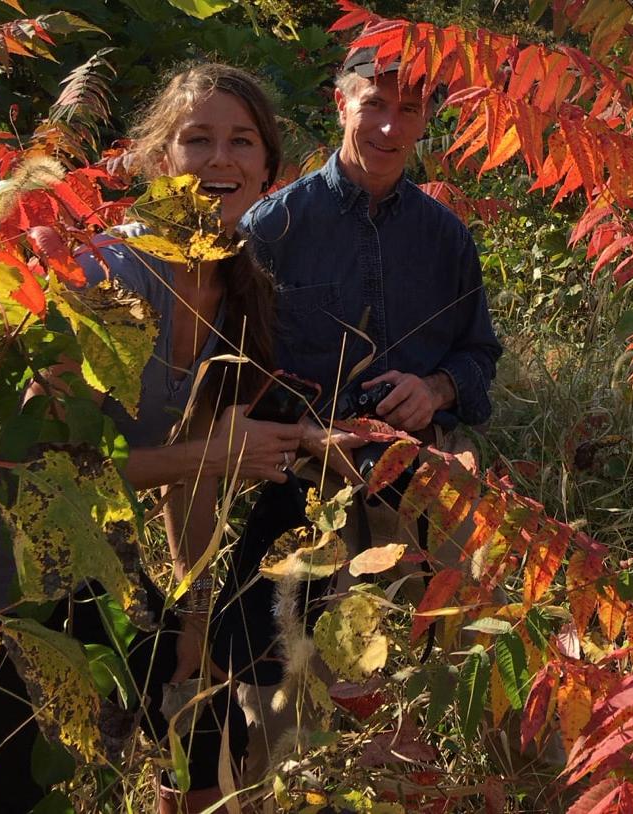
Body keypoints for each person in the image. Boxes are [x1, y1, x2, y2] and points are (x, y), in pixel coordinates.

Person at [0, 63, 338, 814]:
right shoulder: (108, 275)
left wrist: (194, 618)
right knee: (13, 787)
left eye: (241, 141)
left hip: (71, 551)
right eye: (195, 139)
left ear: (270, 169)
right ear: (157, 161)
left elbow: (193, 480)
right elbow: (50, 472)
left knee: (197, 717)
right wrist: (212, 455)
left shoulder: (241, 291)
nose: (218, 160)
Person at [228, 45, 502, 775]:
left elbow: (479, 356)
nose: (389, 125)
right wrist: (307, 430)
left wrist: (436, 389)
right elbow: (231, 374)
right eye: (373, 103)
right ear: (340, 103)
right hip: (300, 481)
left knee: (454, 656)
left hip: (421, 477)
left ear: (426, 120)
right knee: (272, 668)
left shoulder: (445, 238)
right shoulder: (273, 229)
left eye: (407, 108)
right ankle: (288, 782)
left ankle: (432, 777)